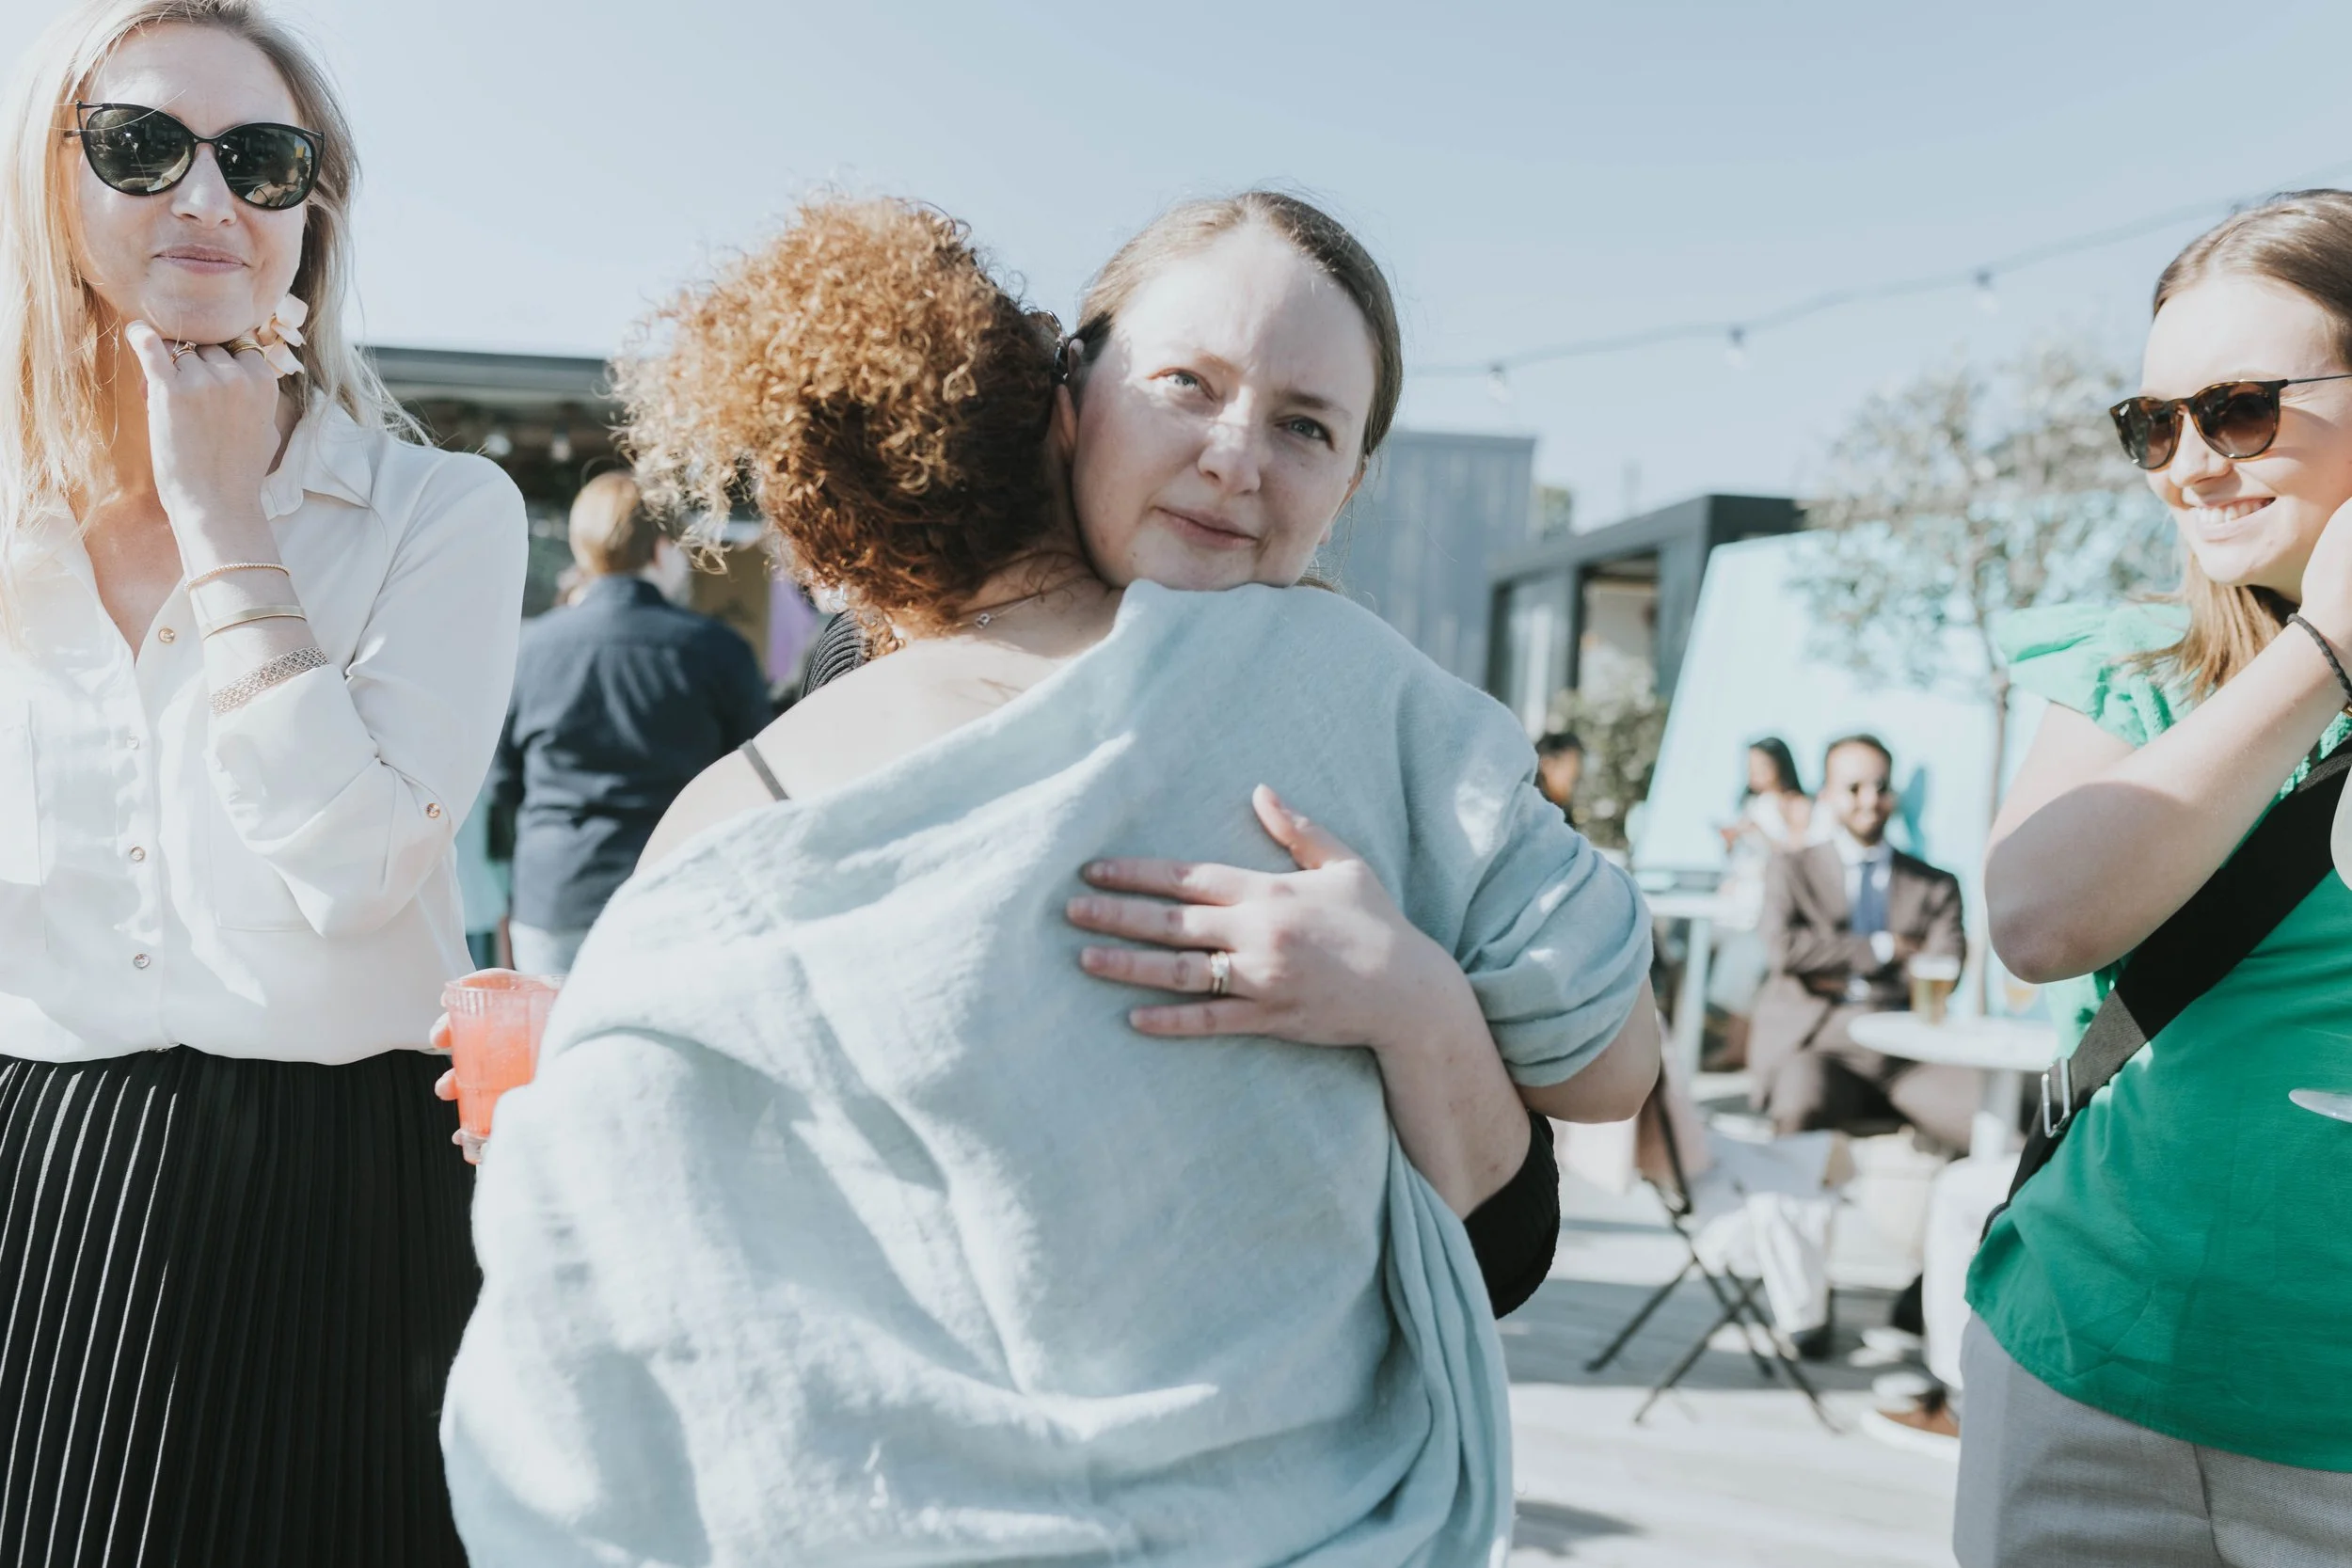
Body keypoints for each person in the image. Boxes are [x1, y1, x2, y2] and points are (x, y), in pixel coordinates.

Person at [442, 195, 1658, 1565]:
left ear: (1353, 481)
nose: (1234, 459)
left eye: (1306, 426)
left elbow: (1547, 1176)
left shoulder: (1357, 698)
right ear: (1068, 389)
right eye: (1186, 383)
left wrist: (1406, 994)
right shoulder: (828, 730)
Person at [0, 4, 524, 1563]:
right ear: (49, 183)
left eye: (262, 160)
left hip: (342, 1189)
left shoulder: (438, 510)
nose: (207, 197)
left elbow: (354, 869)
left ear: (313, 210)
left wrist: (223, 516)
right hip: (43, 1176)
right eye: (142, 145)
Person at [1963, 191, 2352, 1565]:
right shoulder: (2133, 664)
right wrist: (2324, 653)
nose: (2188, 463)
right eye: (2152, 424)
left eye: (2237, 410)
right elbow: (2037, 920)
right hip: (2082, 1373)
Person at [490, 469, 771, 974]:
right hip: (676, 886)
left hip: (557, 891)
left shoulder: (531, 650)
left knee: (557, 1028)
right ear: (662, 550)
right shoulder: (716, 651)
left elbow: (503, 781)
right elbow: (752, 775)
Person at [1747, 734, 1976, 1150]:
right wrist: (1885, 949)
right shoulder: (1791, 869)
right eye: (1854, 788)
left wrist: (1829, 961)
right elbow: (1785, 950)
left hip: (1908, 1052)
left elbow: (1948, 967)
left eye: (1881, 786)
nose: (1870, 800)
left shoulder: (1935, 884)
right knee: (1798, 1108)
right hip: (1820, 1042)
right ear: (1826, 795)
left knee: (1995, 1123)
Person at [1536, 727, 1584, 822]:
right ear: (1547, 763)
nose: (1576, 773)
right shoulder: (1532, 809)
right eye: (1570, 764)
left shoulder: (1564, 813)